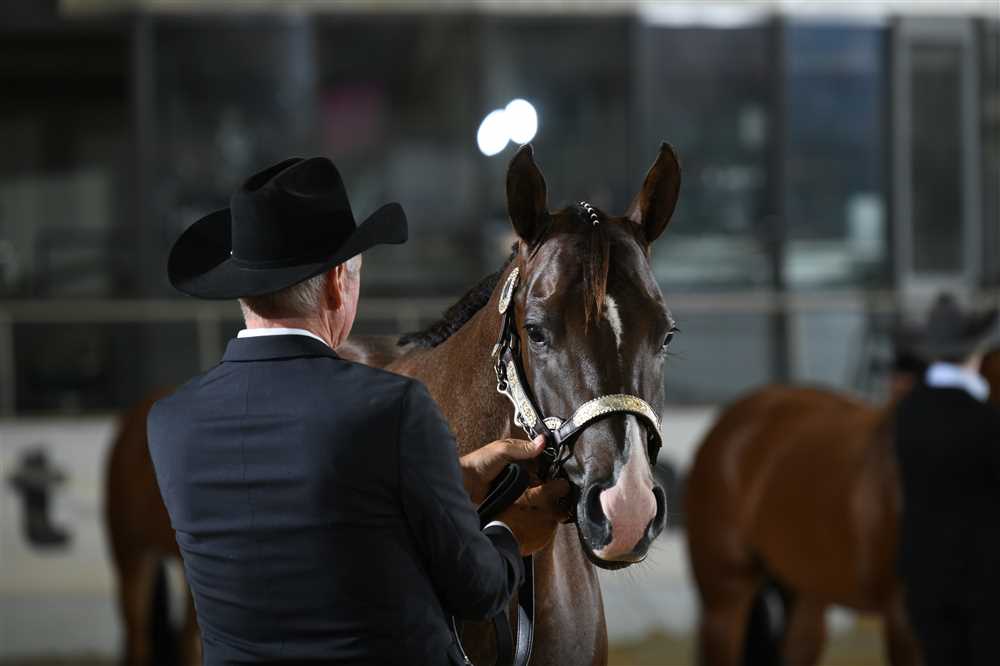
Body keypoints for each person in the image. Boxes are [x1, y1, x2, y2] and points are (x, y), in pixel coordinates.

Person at [147, 157, 569, 664]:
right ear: (336, 282)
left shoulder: (170, 422)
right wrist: (510, 533)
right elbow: (478, 590)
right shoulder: (392, 409)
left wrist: (449, 480)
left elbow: (314, 518)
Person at [894, 293, 1000, 666]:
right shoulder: (986, 421)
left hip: (924, 578)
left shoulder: (907, 413)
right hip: (985, 584)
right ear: (976, 352)